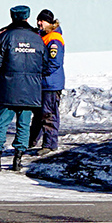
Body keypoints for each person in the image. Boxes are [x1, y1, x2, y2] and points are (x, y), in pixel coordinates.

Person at [0, 5, 47, 172]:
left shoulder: (4, 36)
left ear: (12, 17)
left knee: (1, 124)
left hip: (8, 89)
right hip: (30, 90)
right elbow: (46, 64)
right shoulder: (37, 38)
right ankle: (17, 161)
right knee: (24, 125)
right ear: (27, 17)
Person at [29, 10, 65, 153]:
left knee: (48, 114)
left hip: (50, 83)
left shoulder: (54, 39)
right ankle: (31, 141)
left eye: (42, 21)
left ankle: (50, 144)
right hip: (42, 83)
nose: (39, 23)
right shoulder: (43, 35)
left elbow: (54, 62)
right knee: (39, 114)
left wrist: (39, 73)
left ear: (49, 22)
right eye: (38, 20)